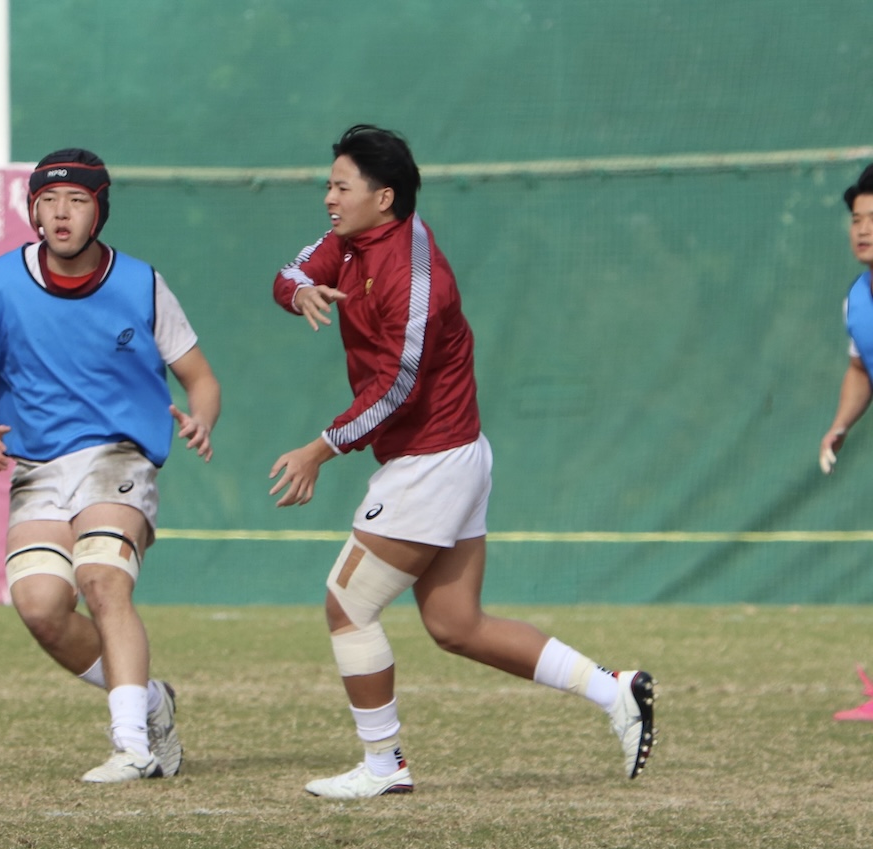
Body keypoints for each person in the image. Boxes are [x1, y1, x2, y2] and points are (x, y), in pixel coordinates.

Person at [268, 124, 656, 798]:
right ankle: (614, 690)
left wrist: (319, 448)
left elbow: (397, 387)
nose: (328, 196)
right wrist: (297, 291)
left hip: (433, 461)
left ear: (383, 196)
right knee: (457, 625)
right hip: (450, 455)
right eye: (329, 183)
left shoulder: (414, 275)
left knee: (346, 604)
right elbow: (292, 271)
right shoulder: (354, 240)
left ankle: (383, 763)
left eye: (341, 185)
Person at [0, 148, 221, 782]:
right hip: (39, 466)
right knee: (42, 608)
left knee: (103, 580)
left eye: (76, 200)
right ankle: (151, 700)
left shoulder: (141, 284)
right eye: (48, 201)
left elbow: (199, 377)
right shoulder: (1, 281)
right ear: (32, 212)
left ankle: (132, 744)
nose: (61, 213)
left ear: (99, 209)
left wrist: (201, 416)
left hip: (118, 455)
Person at [818, 163, 873, 722]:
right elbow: (861, 369)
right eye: (858, 218)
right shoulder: (857, 300)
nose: (864, 228)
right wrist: (841, 424)